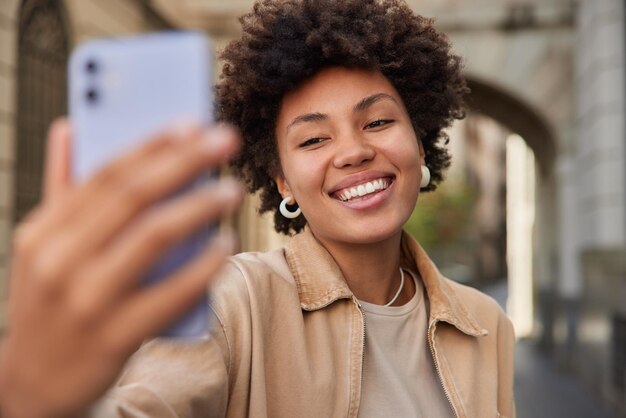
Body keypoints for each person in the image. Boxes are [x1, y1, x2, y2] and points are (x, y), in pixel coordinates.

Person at [0, 0, 516, 417]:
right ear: (283, 181)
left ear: (420, 145)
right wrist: (36, 400)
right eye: (313, 139)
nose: (354, 151)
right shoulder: (229, 303)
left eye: (378, 122)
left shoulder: (486, 325)